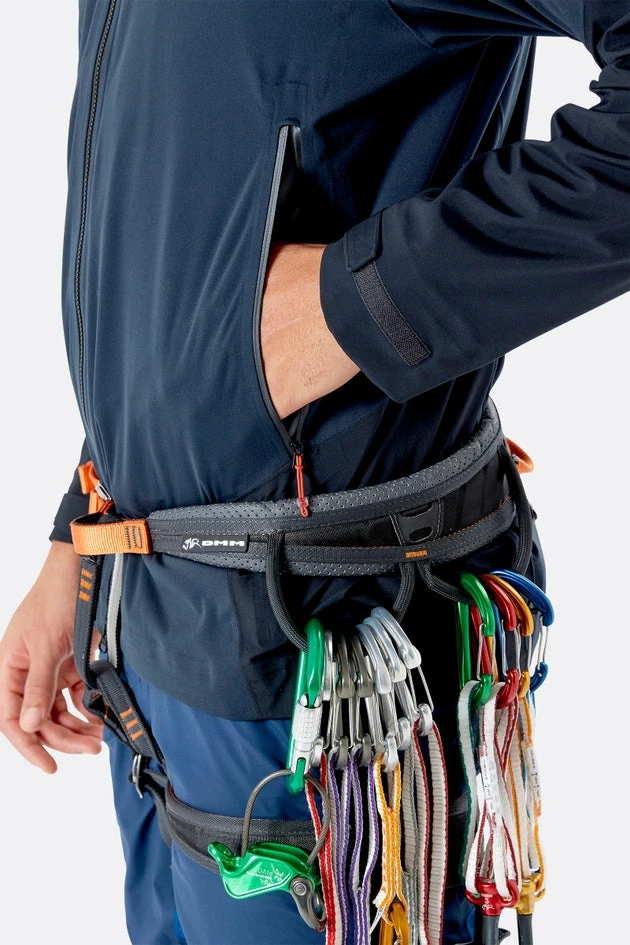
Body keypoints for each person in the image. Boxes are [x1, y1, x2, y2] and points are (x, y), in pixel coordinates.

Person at [0, 2, 628, 944]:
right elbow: (183, 216)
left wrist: (360, 303)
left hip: (329, 675)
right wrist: (81, 525)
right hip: (144, 626)